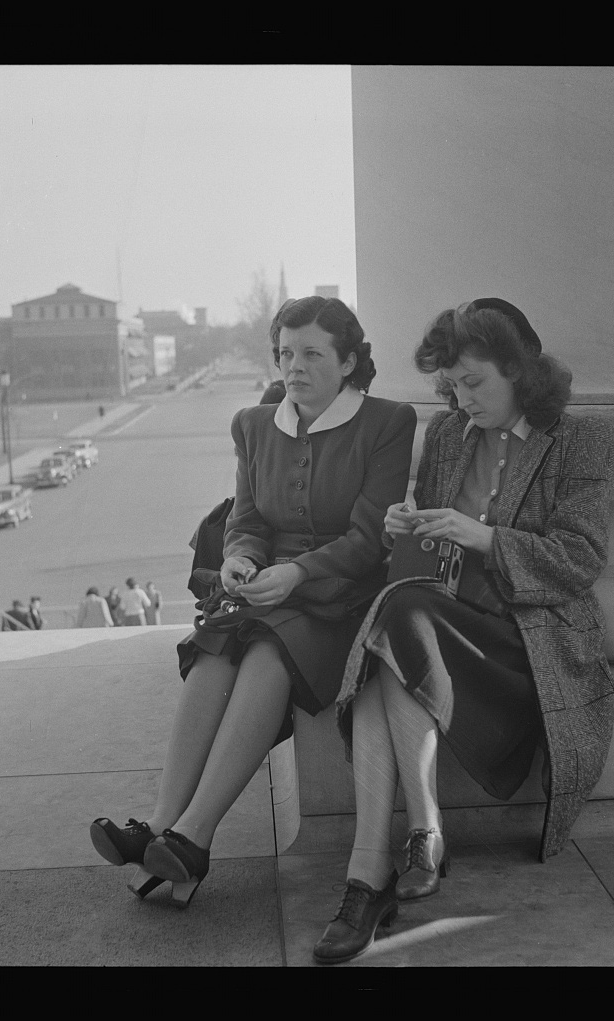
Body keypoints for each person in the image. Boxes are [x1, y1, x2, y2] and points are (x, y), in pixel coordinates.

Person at [312, 298, 614, 965]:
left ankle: (402, 850)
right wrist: (410, 523)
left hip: (527, 647)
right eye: (450, 386)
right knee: (396, 627)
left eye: (474, 382)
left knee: (390, 630)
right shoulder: (449, 436)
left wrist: (483, 536)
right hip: (443, 627)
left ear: (522, 371)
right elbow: (432, 541)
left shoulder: (583, 438)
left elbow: (581, 557)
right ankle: (384, 860)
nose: (461, 399)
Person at [90, 295, 417, 907]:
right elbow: (247, 520)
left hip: (339, 595)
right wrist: (241, 556)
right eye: (285, 353)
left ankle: (196, 833)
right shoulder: (252, 424)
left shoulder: (388, 423)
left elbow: (369, 539)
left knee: (267, 652)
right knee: (215, 649)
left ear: (348, 362)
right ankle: (163, 822)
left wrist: (296, 575)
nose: (294, 366)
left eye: (312, 353)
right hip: (266, 589)